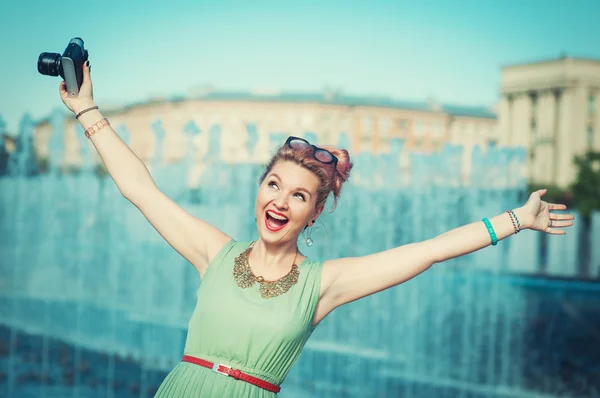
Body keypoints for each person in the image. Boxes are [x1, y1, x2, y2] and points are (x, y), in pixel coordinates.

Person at [59, 62, 575, 397]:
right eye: (274, 185)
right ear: (259, 188)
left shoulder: (322, 284)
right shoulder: (214, 252)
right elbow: (141, 190)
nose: (280, 201)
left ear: (314, 214)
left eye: (300, 196)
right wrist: (88, 111)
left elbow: (429, 250)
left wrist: (515, 220)